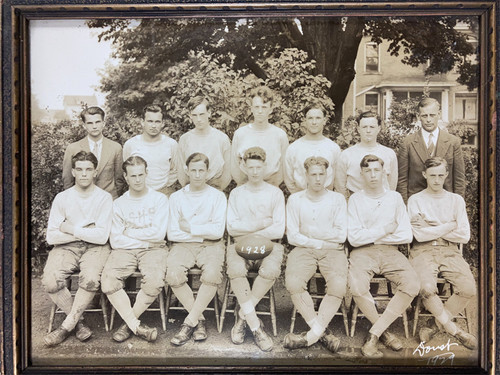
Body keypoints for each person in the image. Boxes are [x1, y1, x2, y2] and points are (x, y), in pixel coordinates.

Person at [347, 154, 419, 358]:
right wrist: (386, 229)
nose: (372, 175)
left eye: (376, 170)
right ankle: (385, 332)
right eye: (367, 171)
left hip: (391, 252)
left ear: (383, 172)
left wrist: (371, 234)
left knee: (412, 284)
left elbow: (406, 235)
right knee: (357, 286)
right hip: (363, 252)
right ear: (361, 174)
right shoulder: (355, 199)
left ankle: (375, 333)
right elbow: (354, 238)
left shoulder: (394, 198)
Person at [42, 151, 113, 347]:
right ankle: (77, 322)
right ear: (73, 171)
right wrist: (85, 231)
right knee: (50, 280)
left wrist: (70, 228)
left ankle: (65, 327)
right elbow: (52, 236)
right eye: (79, 169)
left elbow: (101, 236)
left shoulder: (104, 198)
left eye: (88, 169)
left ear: (95, 172)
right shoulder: (62, 198)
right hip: (66, 247)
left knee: (90, 278)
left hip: (95, 248)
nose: (84, 174)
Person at [407, 157, 476, 349]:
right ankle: (455, 330)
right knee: (427, 288)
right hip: (422, 250)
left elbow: (464, 235)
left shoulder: (456, 200)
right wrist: (449, 224)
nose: (437, 180)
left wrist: (432, 225)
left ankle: (434, 324)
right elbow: (418, 235)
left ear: (446, 175)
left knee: (469, 288)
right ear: (424, 175)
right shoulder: (416, 200)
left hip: (449, 249)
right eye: (432, 176)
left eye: (440, 175)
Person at [101, 156, 169, 343]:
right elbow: (116, 240)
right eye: (133, 175)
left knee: (154, 282)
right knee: (108, 282)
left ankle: (127, 325)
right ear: (126, 176)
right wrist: (145, 242)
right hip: (128, 250)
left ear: (147, 174)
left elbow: (158, 234)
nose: (137, 179)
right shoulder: (119, 204)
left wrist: (129, 232)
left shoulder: (160, 199)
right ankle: (136, 326)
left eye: (141, 174)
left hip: (154, 251)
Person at [283, 157, 347, 352]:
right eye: (314, 174)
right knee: (294, 283)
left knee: (338, 285)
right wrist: (320, 240)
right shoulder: (295, 199)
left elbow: (341, 234)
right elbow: (293, 236)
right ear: (306, 176)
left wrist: (309, 233)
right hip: (303, 250)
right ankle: (323, 334)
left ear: (327, 176)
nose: (318, 179)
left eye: (322, 174)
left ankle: (309, 337)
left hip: (333, 251)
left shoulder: (337, 199)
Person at [226, 147, 285, 351]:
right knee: (235, 269)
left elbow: (278, 228)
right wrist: (261, 224)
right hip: (240, 243)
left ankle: (242, 317)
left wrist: (248, 227)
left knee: (270, 270)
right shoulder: (236, 193)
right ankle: (256, 327)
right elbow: (232, 228)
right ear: (244, 167)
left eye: (258, 167)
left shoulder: (274, 193)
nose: (254, 172)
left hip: (269, 245)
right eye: (250, 167)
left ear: (264, 167)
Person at [166, 153, 227, 346]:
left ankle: (188, 323)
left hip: (211, 246)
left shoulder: (217, 197)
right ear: (187, 170)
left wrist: (190, 228)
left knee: (211, 275)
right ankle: (199, 319)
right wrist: (203, 230)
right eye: (194, 170)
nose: (198, 175)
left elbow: (217, 232)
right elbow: (173, 233)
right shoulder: (177, 197)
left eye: (202, 170)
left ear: (208, 172)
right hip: (183, 245)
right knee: (174, 275)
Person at [397, 97, 465, 203]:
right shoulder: (407, 143)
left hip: (445, 203)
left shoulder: (453, 142)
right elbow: (402, 180)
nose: (428, 120)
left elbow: (459, 180)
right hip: (417, 204)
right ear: (418, 116)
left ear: (439, 114)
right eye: (424, 116)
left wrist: (457, 205)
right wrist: (405, 207)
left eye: (432, 115)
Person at [230, 86, 289, 187]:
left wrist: (272, 186)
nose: (260, 111)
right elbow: (234, 167)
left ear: (270, 109)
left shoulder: (280, 135)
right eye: (257, 107)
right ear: (251, 108)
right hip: (245, 188)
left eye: (264, 107)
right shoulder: (240, 134)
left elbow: (284, 168)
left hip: (271, 188)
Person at [62, 106, 125, 199]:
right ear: (84, 125)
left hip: (108, 200)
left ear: (103, 123)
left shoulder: (115, 148)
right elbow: (67, 180)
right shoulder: (73, 148)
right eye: (90, 123)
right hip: (82, 201)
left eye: (98, 122)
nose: (94, 126)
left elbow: (119, 180)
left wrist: (112, 198)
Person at [334, 111, 397, 199]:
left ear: (378, 129)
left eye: (372, 127)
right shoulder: (346, 155)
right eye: (364, 127)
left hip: (382, 203)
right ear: (358, 129)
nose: (368, 131)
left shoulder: (389, 154)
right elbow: (340, 186)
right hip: (355, 204)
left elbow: (392, 185)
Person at [284, 102, 341, 193]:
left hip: (326, 199)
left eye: (318, 118)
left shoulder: (333, 148)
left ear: (324, 120)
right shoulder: (293, 148)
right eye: (310, 118)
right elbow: (289, 180)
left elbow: (338, 180)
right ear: (304, 120)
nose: (314, 122)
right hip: (300, 199)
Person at [177, 96, 232, 191]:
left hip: (215, 187)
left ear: (209, 113)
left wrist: (218, 190)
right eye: (194, 115)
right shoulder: (185, 139)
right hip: (192, 188)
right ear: (190, 115)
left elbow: (228, 170)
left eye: (201, 114)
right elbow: (181, 170)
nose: (198, 119)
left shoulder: (221, 138)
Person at [123, 104, 179, 196]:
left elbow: (175, 170)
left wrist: (165, 187)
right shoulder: (130, 144)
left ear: (163, 123)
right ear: (142, 122)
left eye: (157, 122)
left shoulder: (171, 144)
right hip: (139, 193)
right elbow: (126, 170)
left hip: (164, 193)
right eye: (150, 121)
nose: (153, 125)